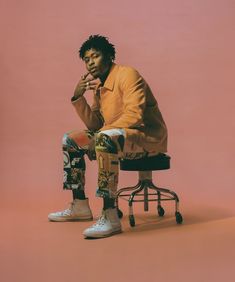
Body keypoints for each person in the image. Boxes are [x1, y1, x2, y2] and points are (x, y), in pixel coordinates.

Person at [48, 35, 168, 238]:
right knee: (70, 140)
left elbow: (134, 115)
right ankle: (80, 206)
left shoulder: (128, 74)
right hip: (117, 135)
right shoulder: (100, 87)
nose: (91, 62)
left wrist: (101, 134)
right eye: (86, 59)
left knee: (103, 138)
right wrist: (78, 97)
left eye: (95, 56)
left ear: (109, 56)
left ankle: (110, 215)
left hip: (147, 137)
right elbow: (95, 124)